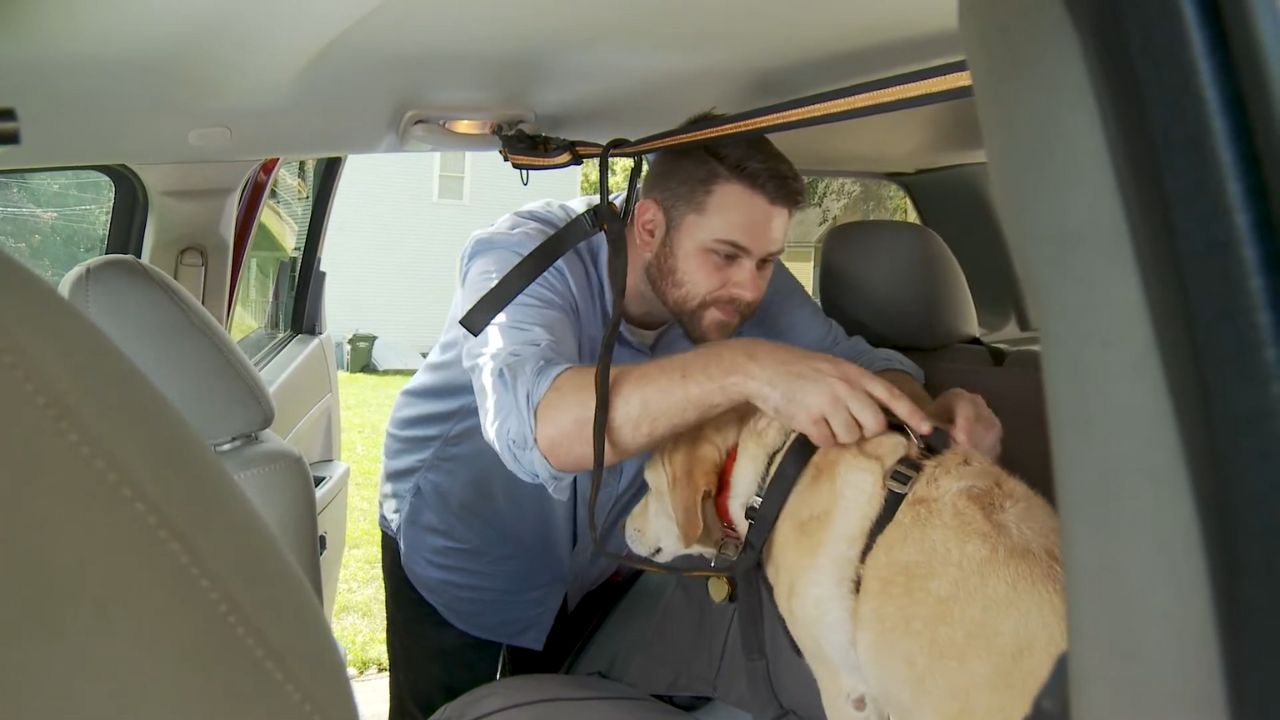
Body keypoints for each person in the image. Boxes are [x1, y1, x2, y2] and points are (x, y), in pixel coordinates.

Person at [378, 113, 1003, 719]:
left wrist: (925, 419)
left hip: (597, 572)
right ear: (649, 224)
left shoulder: (742, 282)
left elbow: (854, 362)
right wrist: (747, 366)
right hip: (459, 543)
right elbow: (543, 429)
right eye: (727, 255)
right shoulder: (523, 254)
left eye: (766, 260)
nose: (751, 289)